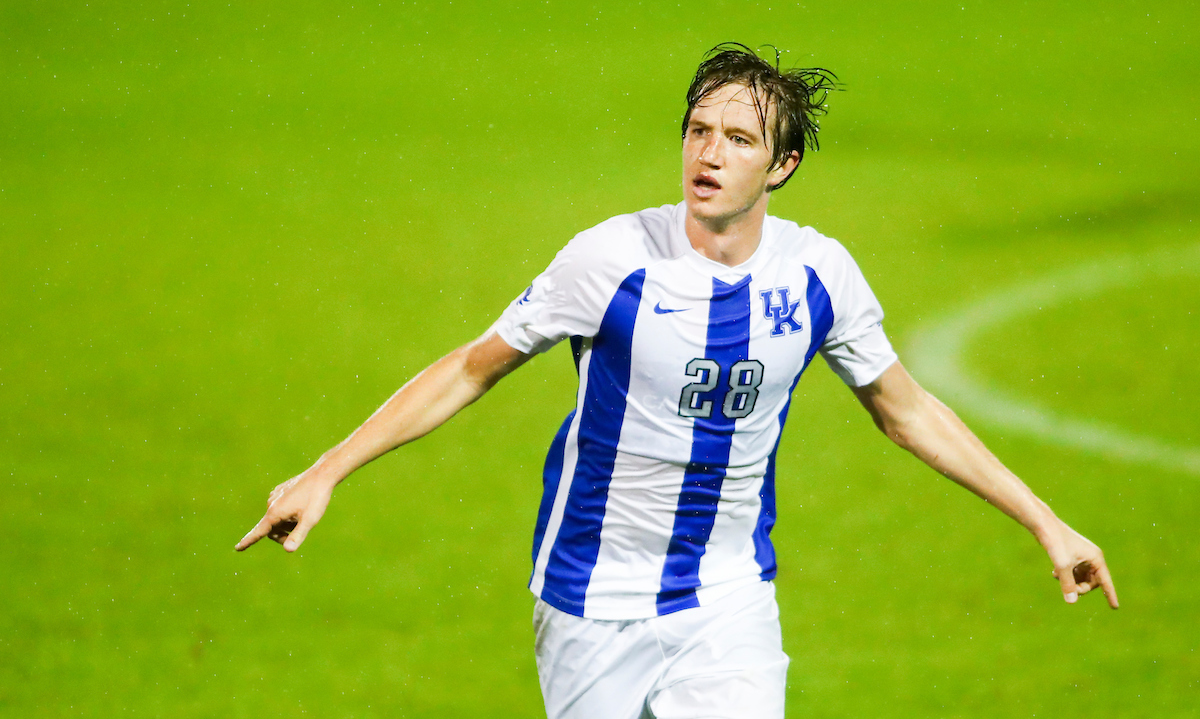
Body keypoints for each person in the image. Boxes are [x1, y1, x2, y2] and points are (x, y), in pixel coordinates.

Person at [236, 43, 1118, 718]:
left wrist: (1045, 521)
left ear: (781, 167)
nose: (709, 152)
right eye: (699, 131)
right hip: (589, 599)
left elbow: (905, 411)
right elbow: (471, 368)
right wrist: (327, 470)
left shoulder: (818, 275)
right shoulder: (611, 259)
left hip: (729, 598)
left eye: (739, 139)